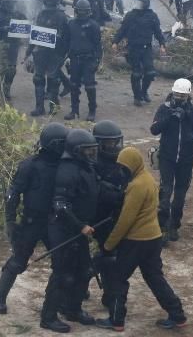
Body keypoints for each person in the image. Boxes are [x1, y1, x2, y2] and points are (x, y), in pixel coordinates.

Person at [96, 146, 187, 332]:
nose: (122, 171)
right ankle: (177, 314)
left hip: (136, 240)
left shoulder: (136, 186)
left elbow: (125, 221)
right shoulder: (148, 179)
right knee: (155, 277)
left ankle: (116, 320)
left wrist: (109, 244)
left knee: (117, 278)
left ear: (132, 166)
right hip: (153, 238)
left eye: (124, 168)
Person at [0, 122, 68, 314]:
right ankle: (0, 295)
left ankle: (63, 297)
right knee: (18, 261)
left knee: (62, 261)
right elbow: (13, 194)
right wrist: (10, 221)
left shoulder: (64, 165)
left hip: (53, 221)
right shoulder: (29, 166)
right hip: (32, 222)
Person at [40, 129, 100, 333]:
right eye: (88, 151)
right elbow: (60, 205)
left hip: (80, 230)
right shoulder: (67, 171)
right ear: (76, 151)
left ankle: (73, 309)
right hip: (64, 230)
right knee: (62, 274)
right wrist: (80, 226)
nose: (92, 154)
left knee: (85, 270)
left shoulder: (86, 167)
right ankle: (48, 317)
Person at [150, 78, 193, 242]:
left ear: (188, 95)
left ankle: (174, 225)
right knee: (165, 192)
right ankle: (162, 227)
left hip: (186, 160)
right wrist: (169, 117)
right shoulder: (164, 108)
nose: (179, 98)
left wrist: (190, 136)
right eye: (176, 94)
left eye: (182, 96)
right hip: (167, 158)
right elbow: (154, 129)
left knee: (180, 195)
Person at [90, 121, 125, 309]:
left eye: (114, 142)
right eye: (108, 143)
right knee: (106, 257)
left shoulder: (121, 160)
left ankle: (109, 295)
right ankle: (81, 285)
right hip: (99, 217)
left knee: (110, 256)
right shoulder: (92, 164)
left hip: (116, 216)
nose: (112, 146)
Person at [113, 0, 166, 106]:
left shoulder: (152, 16)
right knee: (136, 74)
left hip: (146, 48)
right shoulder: (130, 16)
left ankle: (143, 92)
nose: (135, 5)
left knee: (150, 73)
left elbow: (158, 32)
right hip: (133, 49)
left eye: (138, 3)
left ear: (145, 4)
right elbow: (122, 30)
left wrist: (162, 44)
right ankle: (137, 97)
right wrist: (115, 42)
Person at [25, 0, 70, 116]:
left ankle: (53, 107)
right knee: (38, 79)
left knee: (52, 80)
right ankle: (39, 108)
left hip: (55, 53)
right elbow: (35, 34)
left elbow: (66, 38)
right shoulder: (41, 14)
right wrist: (29, 51)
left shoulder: (62, 17)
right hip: (41, 52)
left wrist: (63, 54)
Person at [63, 0, 101, 122]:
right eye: (80, 11)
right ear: (76, 11)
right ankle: (74, 110)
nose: (82, 13)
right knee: (74, 85)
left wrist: (97, 61)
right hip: (74, 58)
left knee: (89, 86)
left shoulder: (93, 25)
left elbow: (98, 46)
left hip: (88, 59)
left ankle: (92, 110)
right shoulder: (71, 24)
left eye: (84, 11)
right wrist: (66, 57)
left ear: (89, 11)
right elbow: (66, 42)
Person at [0, 0, 27, 100]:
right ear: (3, 4)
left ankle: (6, 89)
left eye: (12, 4)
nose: (11, 6)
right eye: (9, 4)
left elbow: (26, 26)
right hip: (0, 45)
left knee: (11, 69)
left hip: (13, 46)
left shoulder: (18, 14)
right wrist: (3, 28)